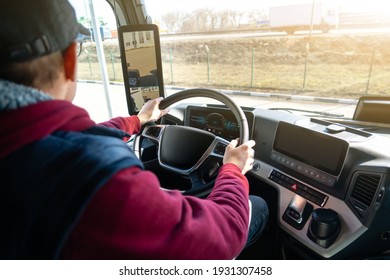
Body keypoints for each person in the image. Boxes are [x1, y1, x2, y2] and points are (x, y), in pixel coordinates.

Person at [0, 0, 268, 259]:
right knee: (255, 207)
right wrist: (232, 170)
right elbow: (222, 237)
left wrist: (137, 120)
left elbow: (79, 135)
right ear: (70, 59)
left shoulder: (29, 142)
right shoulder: (92, 176)